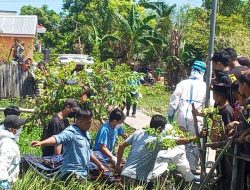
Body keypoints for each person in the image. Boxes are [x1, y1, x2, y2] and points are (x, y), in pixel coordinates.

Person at [115, 115, 196, 188]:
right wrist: (198, 136)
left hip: (125, 174)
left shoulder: (138, 133)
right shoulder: (158, 140)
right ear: (160, 128)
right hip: (138, 179)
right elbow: (181, 141)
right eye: (163, 128)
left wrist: (118, 163)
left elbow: (121, 146)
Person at [32, 109, 105, 180]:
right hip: (72, 174)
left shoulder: (86, 133)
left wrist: (99, 165)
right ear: (79, 122)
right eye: (89, 123)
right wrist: (41, 143)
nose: (90, 125)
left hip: (83, 174)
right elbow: (57, 138)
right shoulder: (71, 132)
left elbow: (89, 152)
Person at [167, 60, 206, 174]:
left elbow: (174, 99)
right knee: (195, 141)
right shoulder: (205, 86)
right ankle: (192, 168)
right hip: (196, 116)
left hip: (182, 116)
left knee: (182, 141)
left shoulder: (183, 83)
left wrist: (170, 113)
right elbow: (209, 102)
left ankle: (182, 167)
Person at [0, 115, 25, 190]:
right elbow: (2, 164)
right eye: (19, 128)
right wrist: (3, 181)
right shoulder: (8, 144)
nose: (20, 129)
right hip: (8, 181)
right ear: (12, 130)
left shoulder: (6, 139)